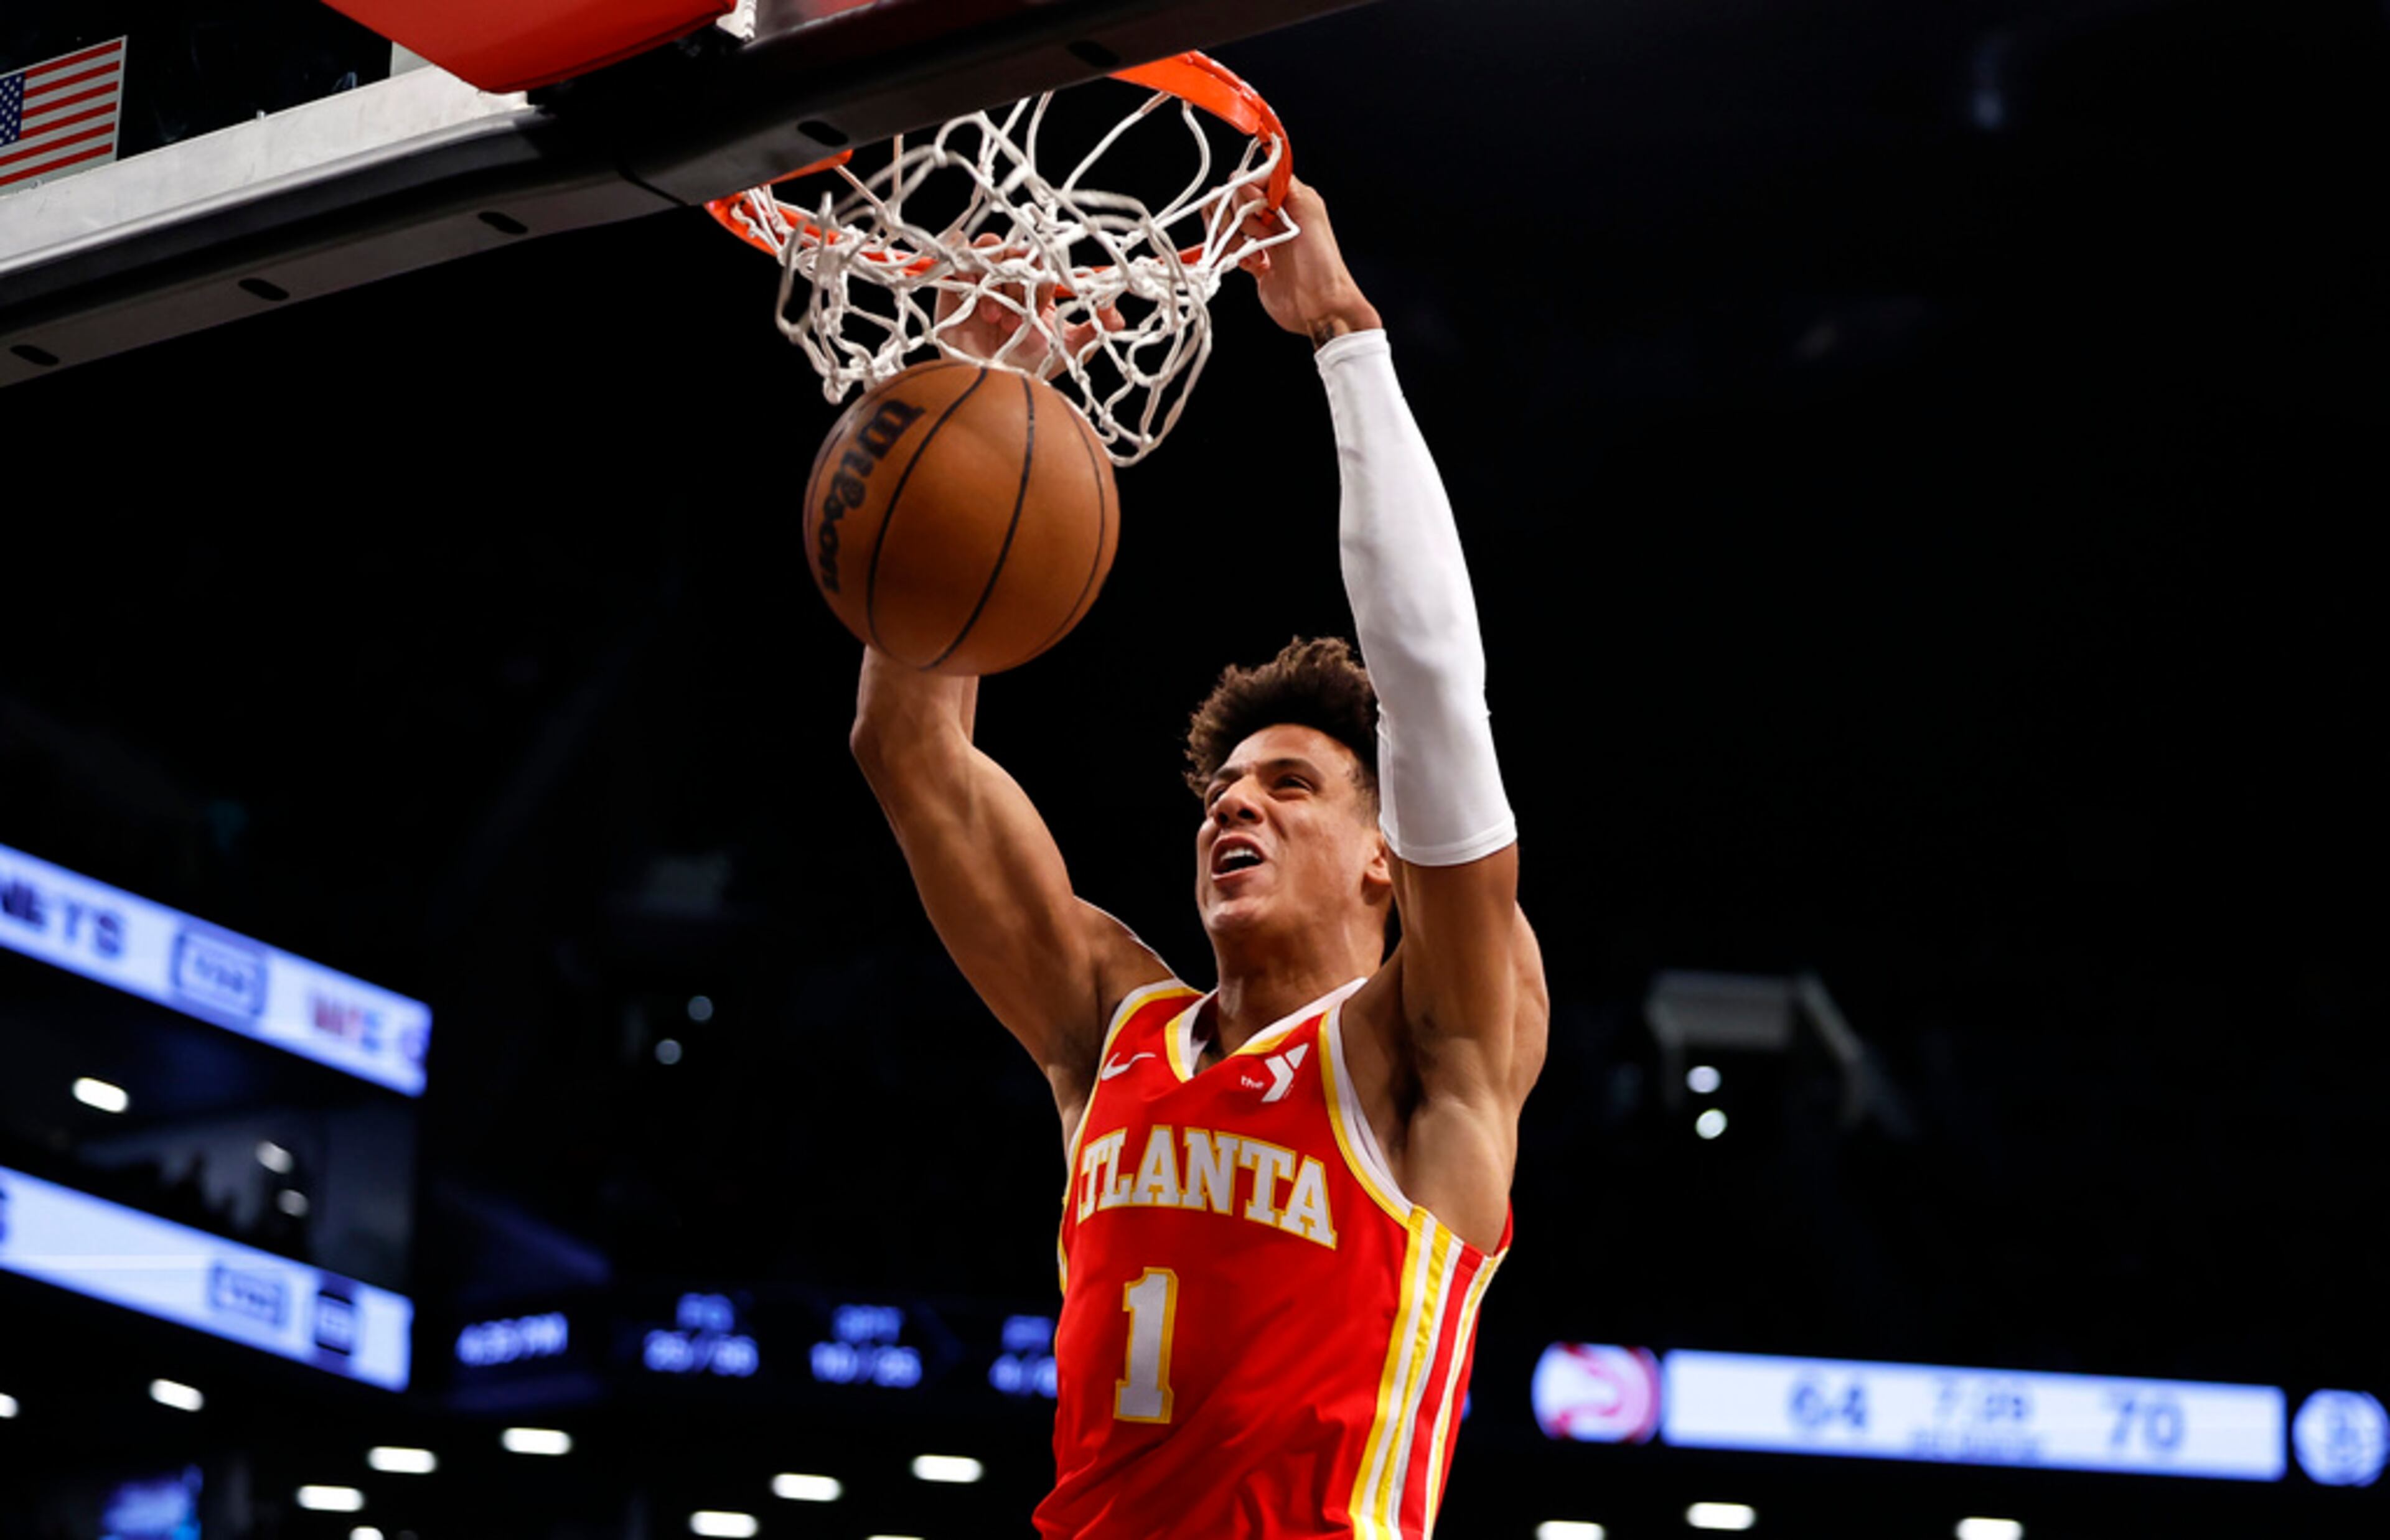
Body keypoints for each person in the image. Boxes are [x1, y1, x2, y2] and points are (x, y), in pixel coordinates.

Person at [848, 179, 1547, 1539]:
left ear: (1382, 858)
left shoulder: (1434, 1041)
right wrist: (976, 379)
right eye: (1224, 789)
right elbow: (905, 744)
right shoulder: (1114, 1023)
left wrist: (1346, 342)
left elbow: (1434, 693)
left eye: (1293, 787)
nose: (1239, 808)